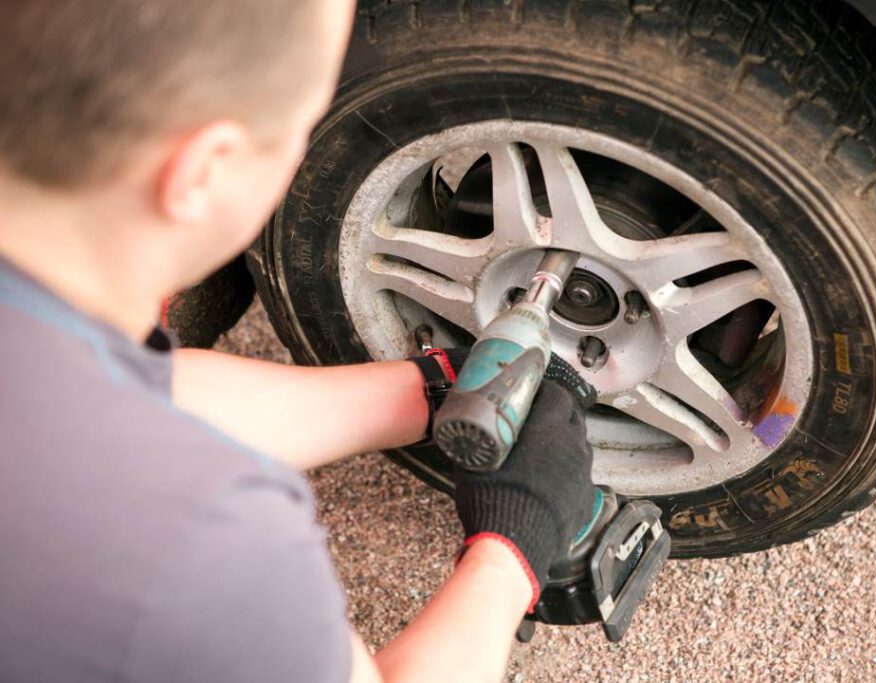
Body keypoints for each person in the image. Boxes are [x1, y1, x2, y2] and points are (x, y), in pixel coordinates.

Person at [0, 2, 598, 682]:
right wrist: (513, 545)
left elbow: (136, 401)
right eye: (300, 127)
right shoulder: (196, 542)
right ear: (203, 170)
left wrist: (430, 388)